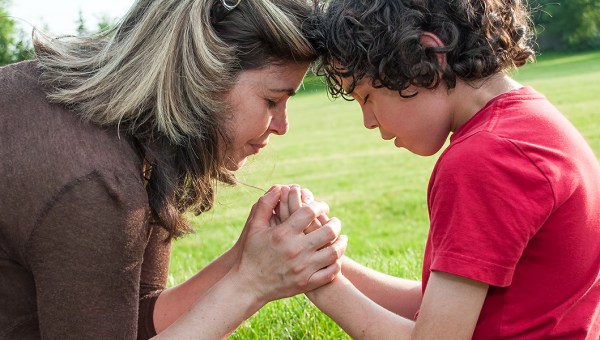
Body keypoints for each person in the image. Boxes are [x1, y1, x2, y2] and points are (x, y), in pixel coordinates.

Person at [0, 0, 347, 339]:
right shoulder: (98, 183)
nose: (283, 126)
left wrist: (243, 259)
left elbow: (132, 316)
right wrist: (252, 285)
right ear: (204, 75)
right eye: (272, 100)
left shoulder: (136, 140)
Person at [280, 0, 600, 338]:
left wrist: (314, 281)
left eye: (367, 96)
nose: (368, 122)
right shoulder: (531, 126)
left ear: (429, 57)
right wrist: (324, 262)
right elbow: (445, 307)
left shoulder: (485, 159)